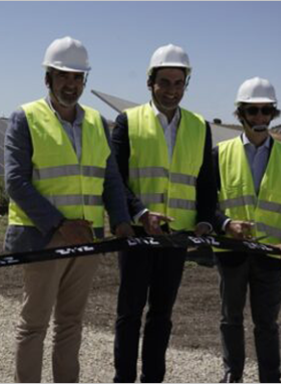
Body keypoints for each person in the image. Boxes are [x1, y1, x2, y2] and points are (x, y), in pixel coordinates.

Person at [5, 36, 134, 383]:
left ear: (84, 81)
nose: (71, 84)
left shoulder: (96, 122)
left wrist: (121, 220)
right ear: (48, 77)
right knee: (34, 326)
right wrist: (60, 225)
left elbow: (110, 179)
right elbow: (15, 182)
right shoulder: (26, 117)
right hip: (42, 240)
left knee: (71, 323)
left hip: (87, 240)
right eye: (63, 76)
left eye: (77, 77)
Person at [111, 43, 218, 382]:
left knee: (162, 314)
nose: (172, 90)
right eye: (165, 82)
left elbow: (204, 183)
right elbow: (115, 180)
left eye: (178, 83)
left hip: (177, 237)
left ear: (186, 84)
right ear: (150, 83)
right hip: (139, 235)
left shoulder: (200, 127)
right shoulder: (128, 121)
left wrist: (203, 220)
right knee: (129, 313)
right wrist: (140, 213)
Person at [212, 77, 281, 383]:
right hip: (232, 253)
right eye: (252, 111)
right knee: (231, 320)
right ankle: (233, 375)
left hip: (270, 256)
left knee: (267, 323)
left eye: (266, 111)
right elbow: (205, 203)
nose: (260, 118)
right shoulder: (219, 154)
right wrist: (225, 224)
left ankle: (270, 378)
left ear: (273, 114)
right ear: (241, 114)